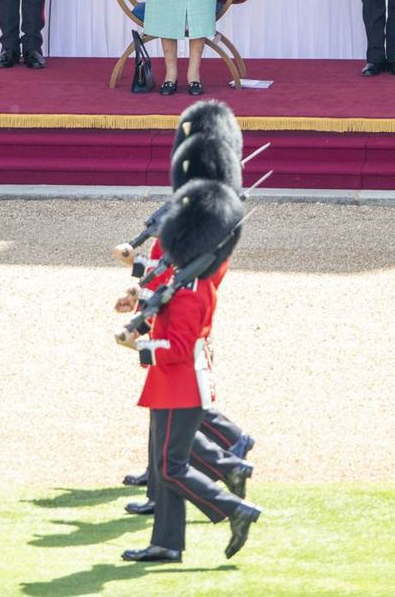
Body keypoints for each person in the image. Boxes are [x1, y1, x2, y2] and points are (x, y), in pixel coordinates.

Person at [117, 180, 261, 562]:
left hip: (181, 383)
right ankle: (166, 542)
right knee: (167, 467)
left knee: (170, 466)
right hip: (170, 384)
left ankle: (235, 509)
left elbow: (177, 347)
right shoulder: (186, 281)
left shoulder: (195, 289)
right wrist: (139, 305)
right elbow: (161, 305)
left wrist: (139, 346)